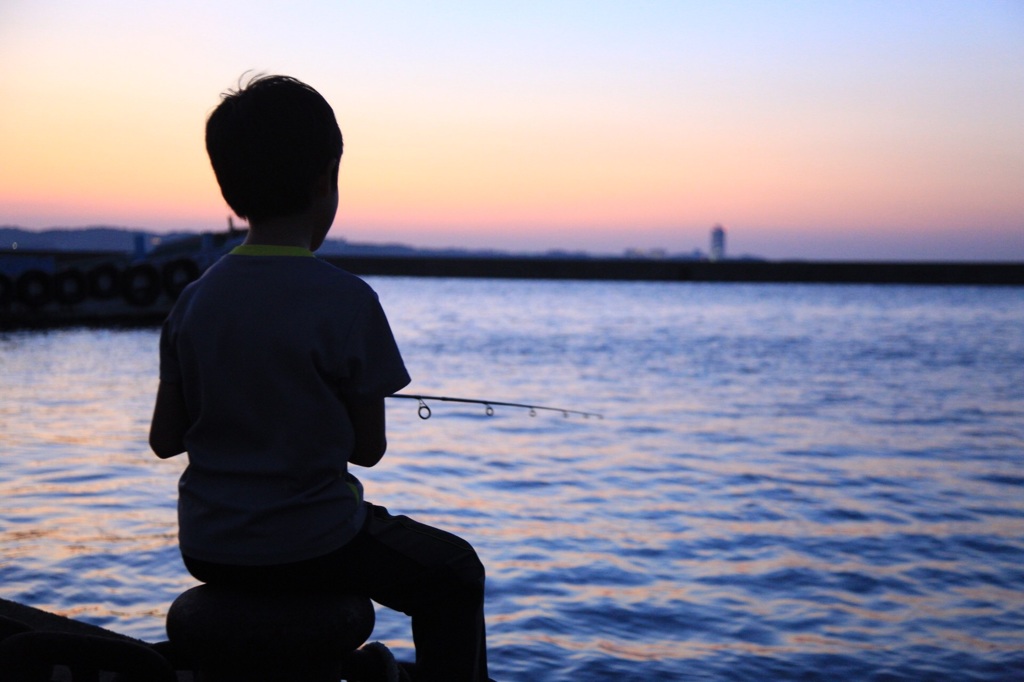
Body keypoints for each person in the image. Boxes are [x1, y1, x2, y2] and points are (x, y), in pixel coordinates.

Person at [149, 74, 489, 681]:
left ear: (231, 192)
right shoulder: (348, 302)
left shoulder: (193, 302)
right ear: (325, 182)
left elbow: (164, 439)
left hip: (208, 546)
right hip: (315, 542)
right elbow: (369, 449)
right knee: (455, 570)